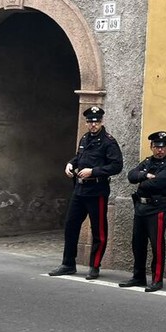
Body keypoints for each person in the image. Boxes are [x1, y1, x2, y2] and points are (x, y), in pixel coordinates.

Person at [49, 106, 124, 279]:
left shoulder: (108, 142)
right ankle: (68, 264)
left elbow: (116, 166)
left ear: (101, 122)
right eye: (90, 122)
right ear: (87, 122)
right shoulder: (85, 138)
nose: (93, 125)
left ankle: (94, 266)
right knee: (71, 226)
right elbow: (80, 157)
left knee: (99, 231)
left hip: (97, 191)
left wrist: (93, 171)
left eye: (96, 121)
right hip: (80, 190)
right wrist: (71, 163)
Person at [120, 130, 166, 292]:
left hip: (157, 208)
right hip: (141, 207)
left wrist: (143, 180)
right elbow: (131, 176)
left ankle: (157, 279)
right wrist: (146, 175)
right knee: (138, 243)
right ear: (151, 147)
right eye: (157, 147)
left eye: (163, 147)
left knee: (157, 244)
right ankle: (138, 276)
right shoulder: (147, 162)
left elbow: (156, 184)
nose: (160, 150)